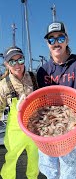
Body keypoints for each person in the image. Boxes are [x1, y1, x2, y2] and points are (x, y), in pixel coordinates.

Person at [36, 21, 76, 179]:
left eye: (60, 38)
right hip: (47, 132)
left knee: (69, 173)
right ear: (47, 43)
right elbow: (38, 100)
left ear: (67, 40)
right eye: (51, 39)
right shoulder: (43, 71)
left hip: (71, 128)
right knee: (49, 171)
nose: (56, 43)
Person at [0, 46, 39, 179]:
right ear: (6, 64)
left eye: (20, 60)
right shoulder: (3, 85)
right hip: (15, 131)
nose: (17, 65)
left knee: (35, 160)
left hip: (34, 127)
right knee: (11, 159)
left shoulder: (34, 77)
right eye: (12, 61)